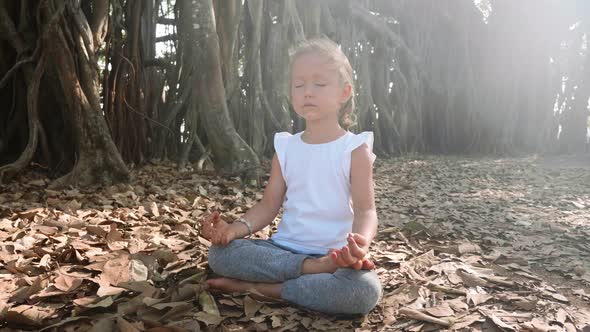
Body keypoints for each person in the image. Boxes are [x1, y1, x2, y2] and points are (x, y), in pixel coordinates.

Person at [200, 38, 381, 315]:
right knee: (220, 254)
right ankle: (310, 271)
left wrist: (359, 245)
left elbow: (366, 211)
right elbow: (268, 206)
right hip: (282, 250)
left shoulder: (354, 149)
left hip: (335, 255)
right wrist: (233, 230)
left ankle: (262, 289)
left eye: (319, 84)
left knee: (363, 291)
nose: (308, 92)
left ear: (344, 93)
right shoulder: (286, 147)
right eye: (299, 85)